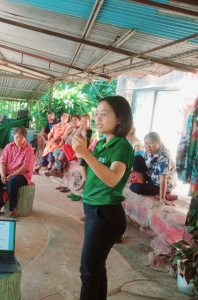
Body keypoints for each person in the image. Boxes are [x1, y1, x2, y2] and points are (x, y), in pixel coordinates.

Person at [71, 96, 134, 299]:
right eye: (97, 113)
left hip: (106, 215)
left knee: (88, 270)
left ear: (120, 119)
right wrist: (82, 154)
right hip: (94, 211)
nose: (98, 118)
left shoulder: (122, 146)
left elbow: (113, 179)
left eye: (104, 114)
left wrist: (86, 155)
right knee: (97, 267)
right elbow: (92, 176)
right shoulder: (100, 145)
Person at [0, 127, 35, 220]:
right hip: (7, 172)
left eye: (21, 137)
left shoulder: (29, 149)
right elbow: (3, 161)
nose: (18, 140)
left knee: (12, 183)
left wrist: (10, 176)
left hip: (21, 175)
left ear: (25, 138)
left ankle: (12, 209)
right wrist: (3, 174)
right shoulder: (9, 147)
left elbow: (25, 168)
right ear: (13, 136)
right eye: (17, 137)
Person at [130, 132, 177, 206]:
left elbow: (163, 178)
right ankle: (144, 184)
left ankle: (164, 194)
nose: (148, 146)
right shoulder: (148, 152)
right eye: (146, 144)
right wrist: (122, 177)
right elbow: (137, 165)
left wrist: (162, 198)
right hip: (152, 180)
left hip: (162, 184)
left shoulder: (164, 155)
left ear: (159, 143)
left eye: (151, 143)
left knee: (136, 187)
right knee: (137, 159)